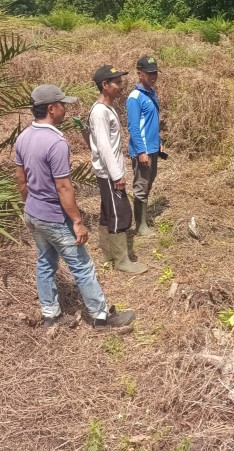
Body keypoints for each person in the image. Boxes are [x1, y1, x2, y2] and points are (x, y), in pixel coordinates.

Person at [14, 84, 136, 330]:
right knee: (81, 265)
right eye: (62, 105)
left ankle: (51, 315)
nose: (65, 110)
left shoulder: (23, 137)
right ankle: (101, 317)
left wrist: (32, 204)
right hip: (54, 217)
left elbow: (21, 180)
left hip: (33, 214)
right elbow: (64, 188)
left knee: (45, 262)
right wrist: (77, 222)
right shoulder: (56, 142)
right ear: (51, 108)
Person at [89, 65, 148, 274]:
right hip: (109, 173)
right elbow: (104, 147)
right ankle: (122, 260)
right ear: (105, 85)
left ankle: (108, 253)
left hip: (108, 172)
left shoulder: (106, 109)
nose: (121, 86)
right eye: (117, 82)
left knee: (108, 212)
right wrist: (117, 175)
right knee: (120, 214)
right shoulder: (100, 113)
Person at [126, 55, 163, 236]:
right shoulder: (135, 97)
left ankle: (143, 220)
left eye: (155, 73)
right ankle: (140, 226)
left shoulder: (151, 93)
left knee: (148, 183)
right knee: (141, 185)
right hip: (143, 151)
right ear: (139, 74)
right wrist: (141, 151)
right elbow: (134, 127)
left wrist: (159, 143)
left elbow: (151, 123)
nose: (153, 76)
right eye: (149, 73)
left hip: (153, 147)